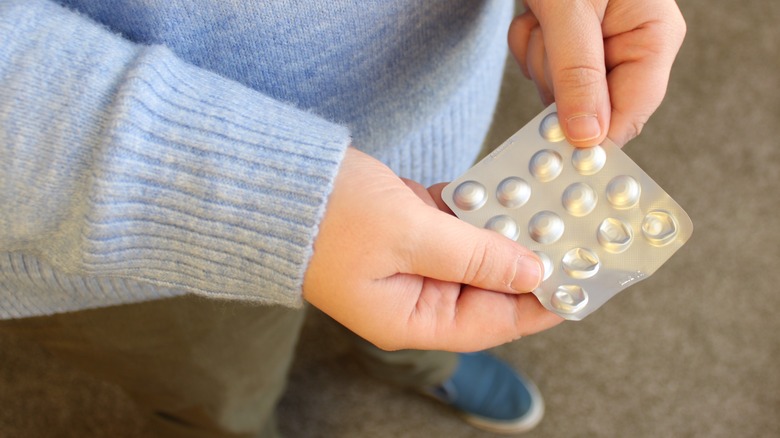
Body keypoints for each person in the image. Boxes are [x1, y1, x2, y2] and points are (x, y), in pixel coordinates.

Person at [0, 0, 685, 436]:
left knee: (444, 297)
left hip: (433, 121)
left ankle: (421, 363)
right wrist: (273, 199)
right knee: (215, 386)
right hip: (130, 224)